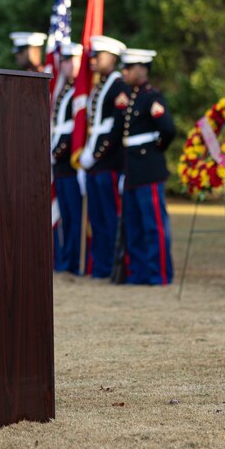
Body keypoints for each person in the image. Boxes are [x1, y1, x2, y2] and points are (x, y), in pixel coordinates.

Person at [118, 48, 177, 285]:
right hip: (132, 168)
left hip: (148, 167)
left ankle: (158, 273)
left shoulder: (152, 97)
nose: (124, 72)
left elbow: (168, 129)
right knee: (134, 225)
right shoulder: (131, 97)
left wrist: (155, 150)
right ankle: (138, 272)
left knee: (154, 225)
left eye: (128, 68)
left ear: (142, 70)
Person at [79, 35, 128, 279]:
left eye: (98, 56)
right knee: (96, 219)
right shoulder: (100, 86)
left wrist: (96, 155)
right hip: (94, 164)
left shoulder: (119, 86)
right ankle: (98, 266)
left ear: (112, 57)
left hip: (107, 162)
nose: (93, 60)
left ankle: (109, 266)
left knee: (109, 218)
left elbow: (116, 129)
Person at [51, 41, 85, 274]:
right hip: (60, 165)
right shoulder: (64, 90)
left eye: (73, 60)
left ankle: (74, 262)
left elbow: (74, 129)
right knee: (65, 215)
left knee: (75, 216)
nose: (68, 65)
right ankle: (66, 259)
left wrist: (55, 154)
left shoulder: (78, 93)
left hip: (70, 162)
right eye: (64, 61)